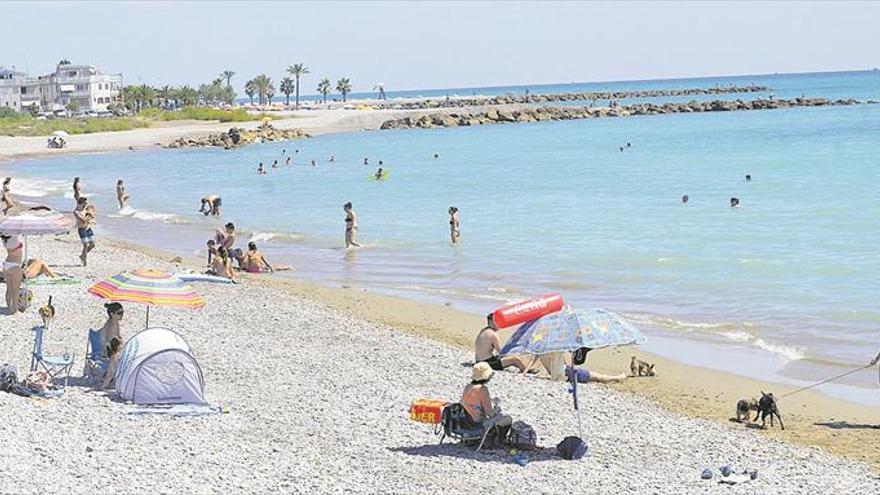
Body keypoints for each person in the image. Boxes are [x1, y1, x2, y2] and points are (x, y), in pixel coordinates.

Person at [460, 363, 512, 437]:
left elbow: (473, 401)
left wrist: (489, 400)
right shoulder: (482, 389)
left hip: (465, 422)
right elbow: (490, 414)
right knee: (507, 418)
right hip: (477, 424)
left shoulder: (468, 387)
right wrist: (497, 410)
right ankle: (495, 440)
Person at [2, 234, 23, 315]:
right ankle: (14, 310)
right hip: (14, 265)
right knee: (16, 290)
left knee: (9, 288)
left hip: (6, 264)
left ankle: (9, 307)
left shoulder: (5, 240)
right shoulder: (14, 238)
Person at [73, 197, 96, 267]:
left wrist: (90, 215)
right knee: (85, 245)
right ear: (81, 203)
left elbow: (92, 216)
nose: (86, 204)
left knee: (92, 245)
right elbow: (83, 220)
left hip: (88, 228)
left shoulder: (86, 209)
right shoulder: (76, 212)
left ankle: (82, 256)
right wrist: (89, 215)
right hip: (81, 229)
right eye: (85, 203)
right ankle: (84, 259)